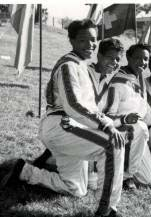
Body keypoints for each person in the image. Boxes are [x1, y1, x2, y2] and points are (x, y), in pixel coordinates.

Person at [0, 19, 126, 217]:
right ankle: (107, 210)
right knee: (112, 145)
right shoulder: (69, 65)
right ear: (72, 41)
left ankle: (23, 171)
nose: (90, 45)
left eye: (93, 40)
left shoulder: (80, 65)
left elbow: (88, 107)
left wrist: (107, 121)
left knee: (75, 188)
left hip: (70, 126)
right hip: (62, 125)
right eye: (83, 40)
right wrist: (105, 125)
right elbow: (74, 106)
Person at [105, 44, 151, 190]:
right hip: (122, 133)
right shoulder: (117, 82)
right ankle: (125, 176)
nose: (142, 62)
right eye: (138, 58)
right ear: (128, 58)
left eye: (145, 59)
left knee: (148, 179)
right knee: (139, 127)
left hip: (139, 136)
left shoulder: (139, 77)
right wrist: (124, 119)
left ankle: (124, 169)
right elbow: (108, 116)